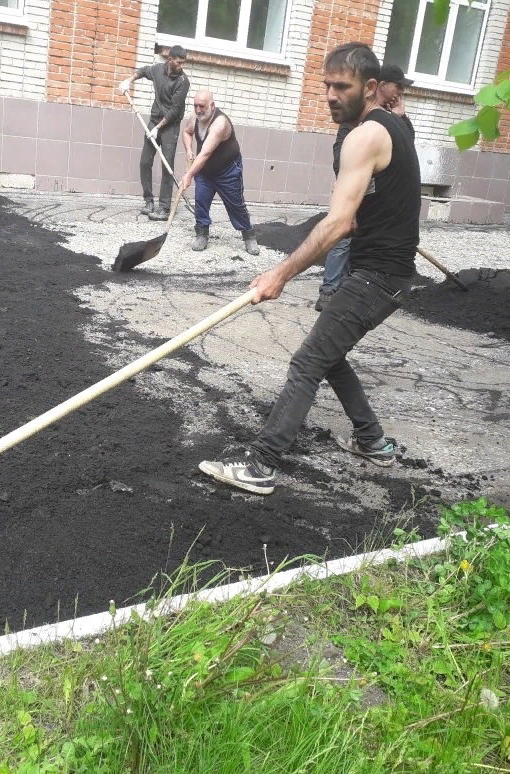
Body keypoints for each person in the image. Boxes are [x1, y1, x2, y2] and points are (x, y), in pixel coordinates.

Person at [198, 43, 421, 495]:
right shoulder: (385, 129)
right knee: (329, 354)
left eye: (343, 86)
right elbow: (354, 219)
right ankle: (372, 440)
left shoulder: (367, 136)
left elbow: (339, 223)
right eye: (327, 86)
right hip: (386, 273)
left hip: (378, 276)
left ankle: (261, 465)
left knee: (308, 362)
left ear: (372, 87)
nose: (332, 95)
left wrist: (279, 273)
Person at [316, 63, 414, 311]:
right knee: (341, 235)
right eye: (398, 86)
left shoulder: (391, 118)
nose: (400, 92)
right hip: (355, 188)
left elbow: (405, 148)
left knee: (357, 239)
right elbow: (343, 154)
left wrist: (402, 118)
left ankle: (351, 286)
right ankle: (328, 291)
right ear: (379, 86)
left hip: (378, 196)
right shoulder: (357, 118)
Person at [179, 90, 260, 256]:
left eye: (202, 106)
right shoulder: (195, 117)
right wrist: (188, 150)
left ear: (212, 106)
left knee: (236, 205)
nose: (198, 110)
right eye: (195, 106)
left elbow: (206, 153)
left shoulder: (220, 123)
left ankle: (248, 235)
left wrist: (188, 175)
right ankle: (201, 234)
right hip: (205, 170)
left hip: (228, 171)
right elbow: (187, 132)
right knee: (200, 201)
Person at [119, 46, 191, 221]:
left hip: (170, 126)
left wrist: (158, 128)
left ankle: (164, 208)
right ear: (170, 60)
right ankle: (148, 201)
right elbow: (144, 71)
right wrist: (129, 80)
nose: (181, 66)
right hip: (154, 120)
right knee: (145, 162)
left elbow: (174, 111)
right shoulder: (158, 70)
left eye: (183, 62)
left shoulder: (183, 81)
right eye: (179, 62)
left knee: (167, 166)